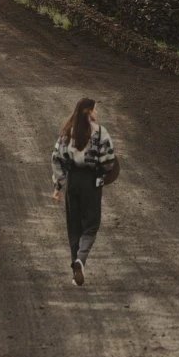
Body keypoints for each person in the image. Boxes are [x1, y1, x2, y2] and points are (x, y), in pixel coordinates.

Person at [52, 97, 116, 285]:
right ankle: (81, 259)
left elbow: (57, 158)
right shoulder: (101, 133)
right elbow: (109, 161)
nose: (97, 113)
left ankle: (75, 268)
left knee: (74, 227)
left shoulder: (67, 132)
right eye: (95, 109)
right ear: (89, 111)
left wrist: (58, 186)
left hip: (72, 181)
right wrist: (103, 172)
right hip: (91, 182)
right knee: (91, 225)